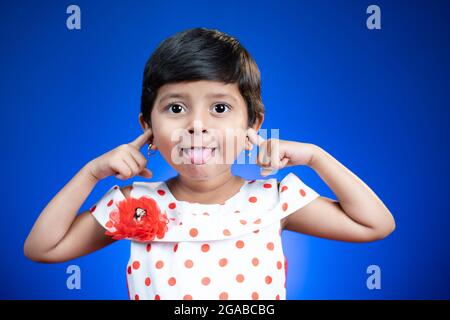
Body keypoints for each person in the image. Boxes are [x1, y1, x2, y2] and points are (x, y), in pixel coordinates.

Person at [24, 27, 396, 300]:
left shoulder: (274, 199)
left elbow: (375, 224)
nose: (197, 125)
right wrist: (91, 174)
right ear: (148, 126)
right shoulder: (132, 204)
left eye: (219, 108)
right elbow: (43, 248)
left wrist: (316, 157)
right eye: (175, 108)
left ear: (252, 125)